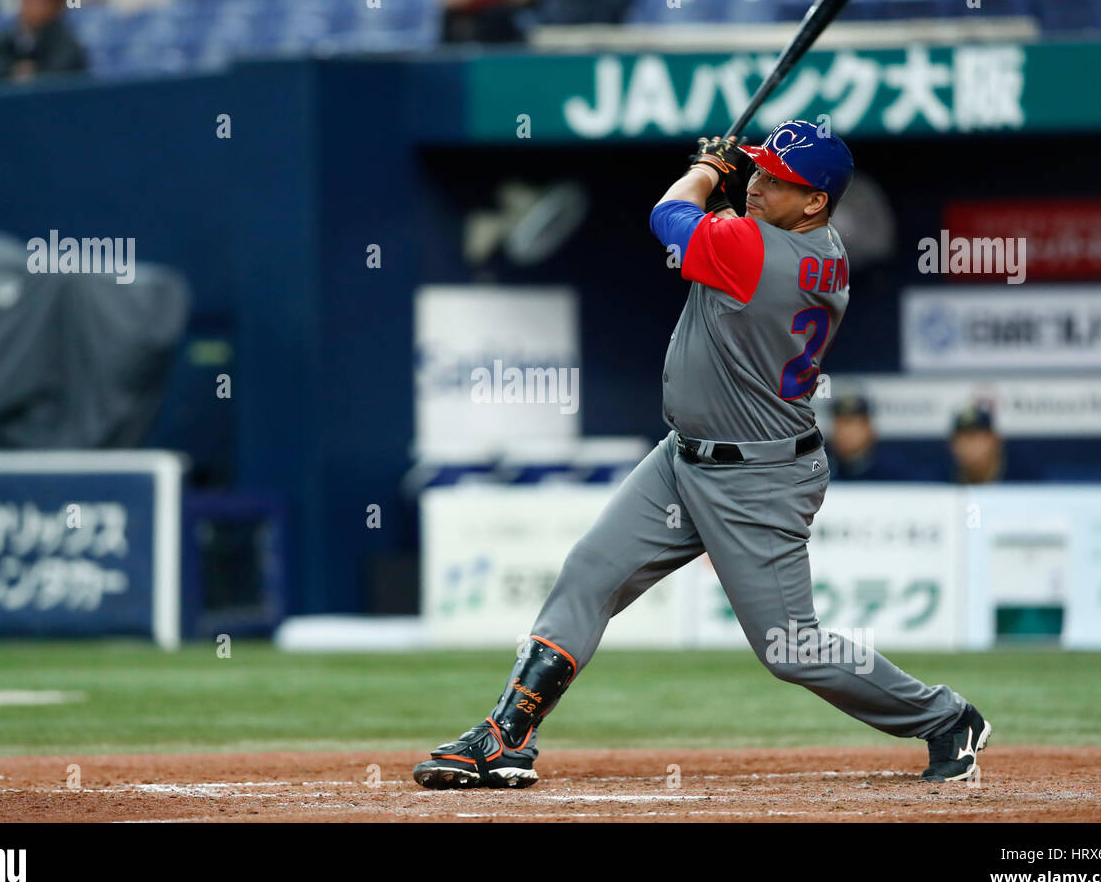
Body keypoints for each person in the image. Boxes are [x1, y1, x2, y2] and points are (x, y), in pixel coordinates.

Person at [413, 120, 991, 790]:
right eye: (759, 171)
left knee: (791, 650)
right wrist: (722, 181)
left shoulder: (759, 254)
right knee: (590, 574)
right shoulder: (804, 242)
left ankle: (947, 716)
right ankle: (504, 736)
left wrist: (706, 170)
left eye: (780, 182)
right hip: (683, 459)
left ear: (814, 204)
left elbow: (668, 214)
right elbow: (719, 226)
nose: (760, 185)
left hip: (760, 476)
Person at [826, 392, 915, 481]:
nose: (845, 432)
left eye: (852, 424)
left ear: (868, 428)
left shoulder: (893, 472)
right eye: (839, 424)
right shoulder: (822, 471)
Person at [948, 403, 1039, 484]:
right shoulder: (943, 477)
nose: (965, 445)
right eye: (959, 438)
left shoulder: (1024, 477)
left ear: (994, 440)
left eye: (972, 437)